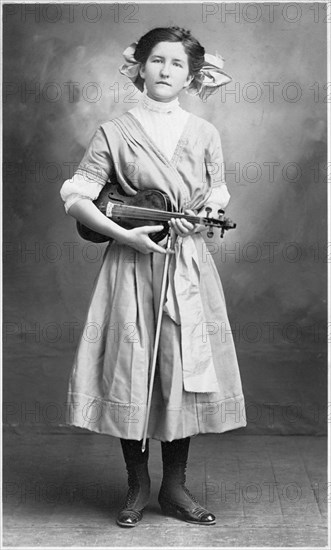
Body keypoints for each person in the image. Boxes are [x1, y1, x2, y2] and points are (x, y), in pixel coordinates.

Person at [60, 26, 246, 528]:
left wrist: (198, 214)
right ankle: (137, 484)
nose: (166, 71)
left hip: (185, 266)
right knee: (131, 365)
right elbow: (78, 196)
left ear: (190, 77)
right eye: (157, 61)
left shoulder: (205, 133)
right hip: (131, 264)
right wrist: (126, 236)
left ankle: (175, 486)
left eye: (177, 65)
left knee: (179, 369)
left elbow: (217, 192)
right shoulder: (114, 132)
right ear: (140, 66)